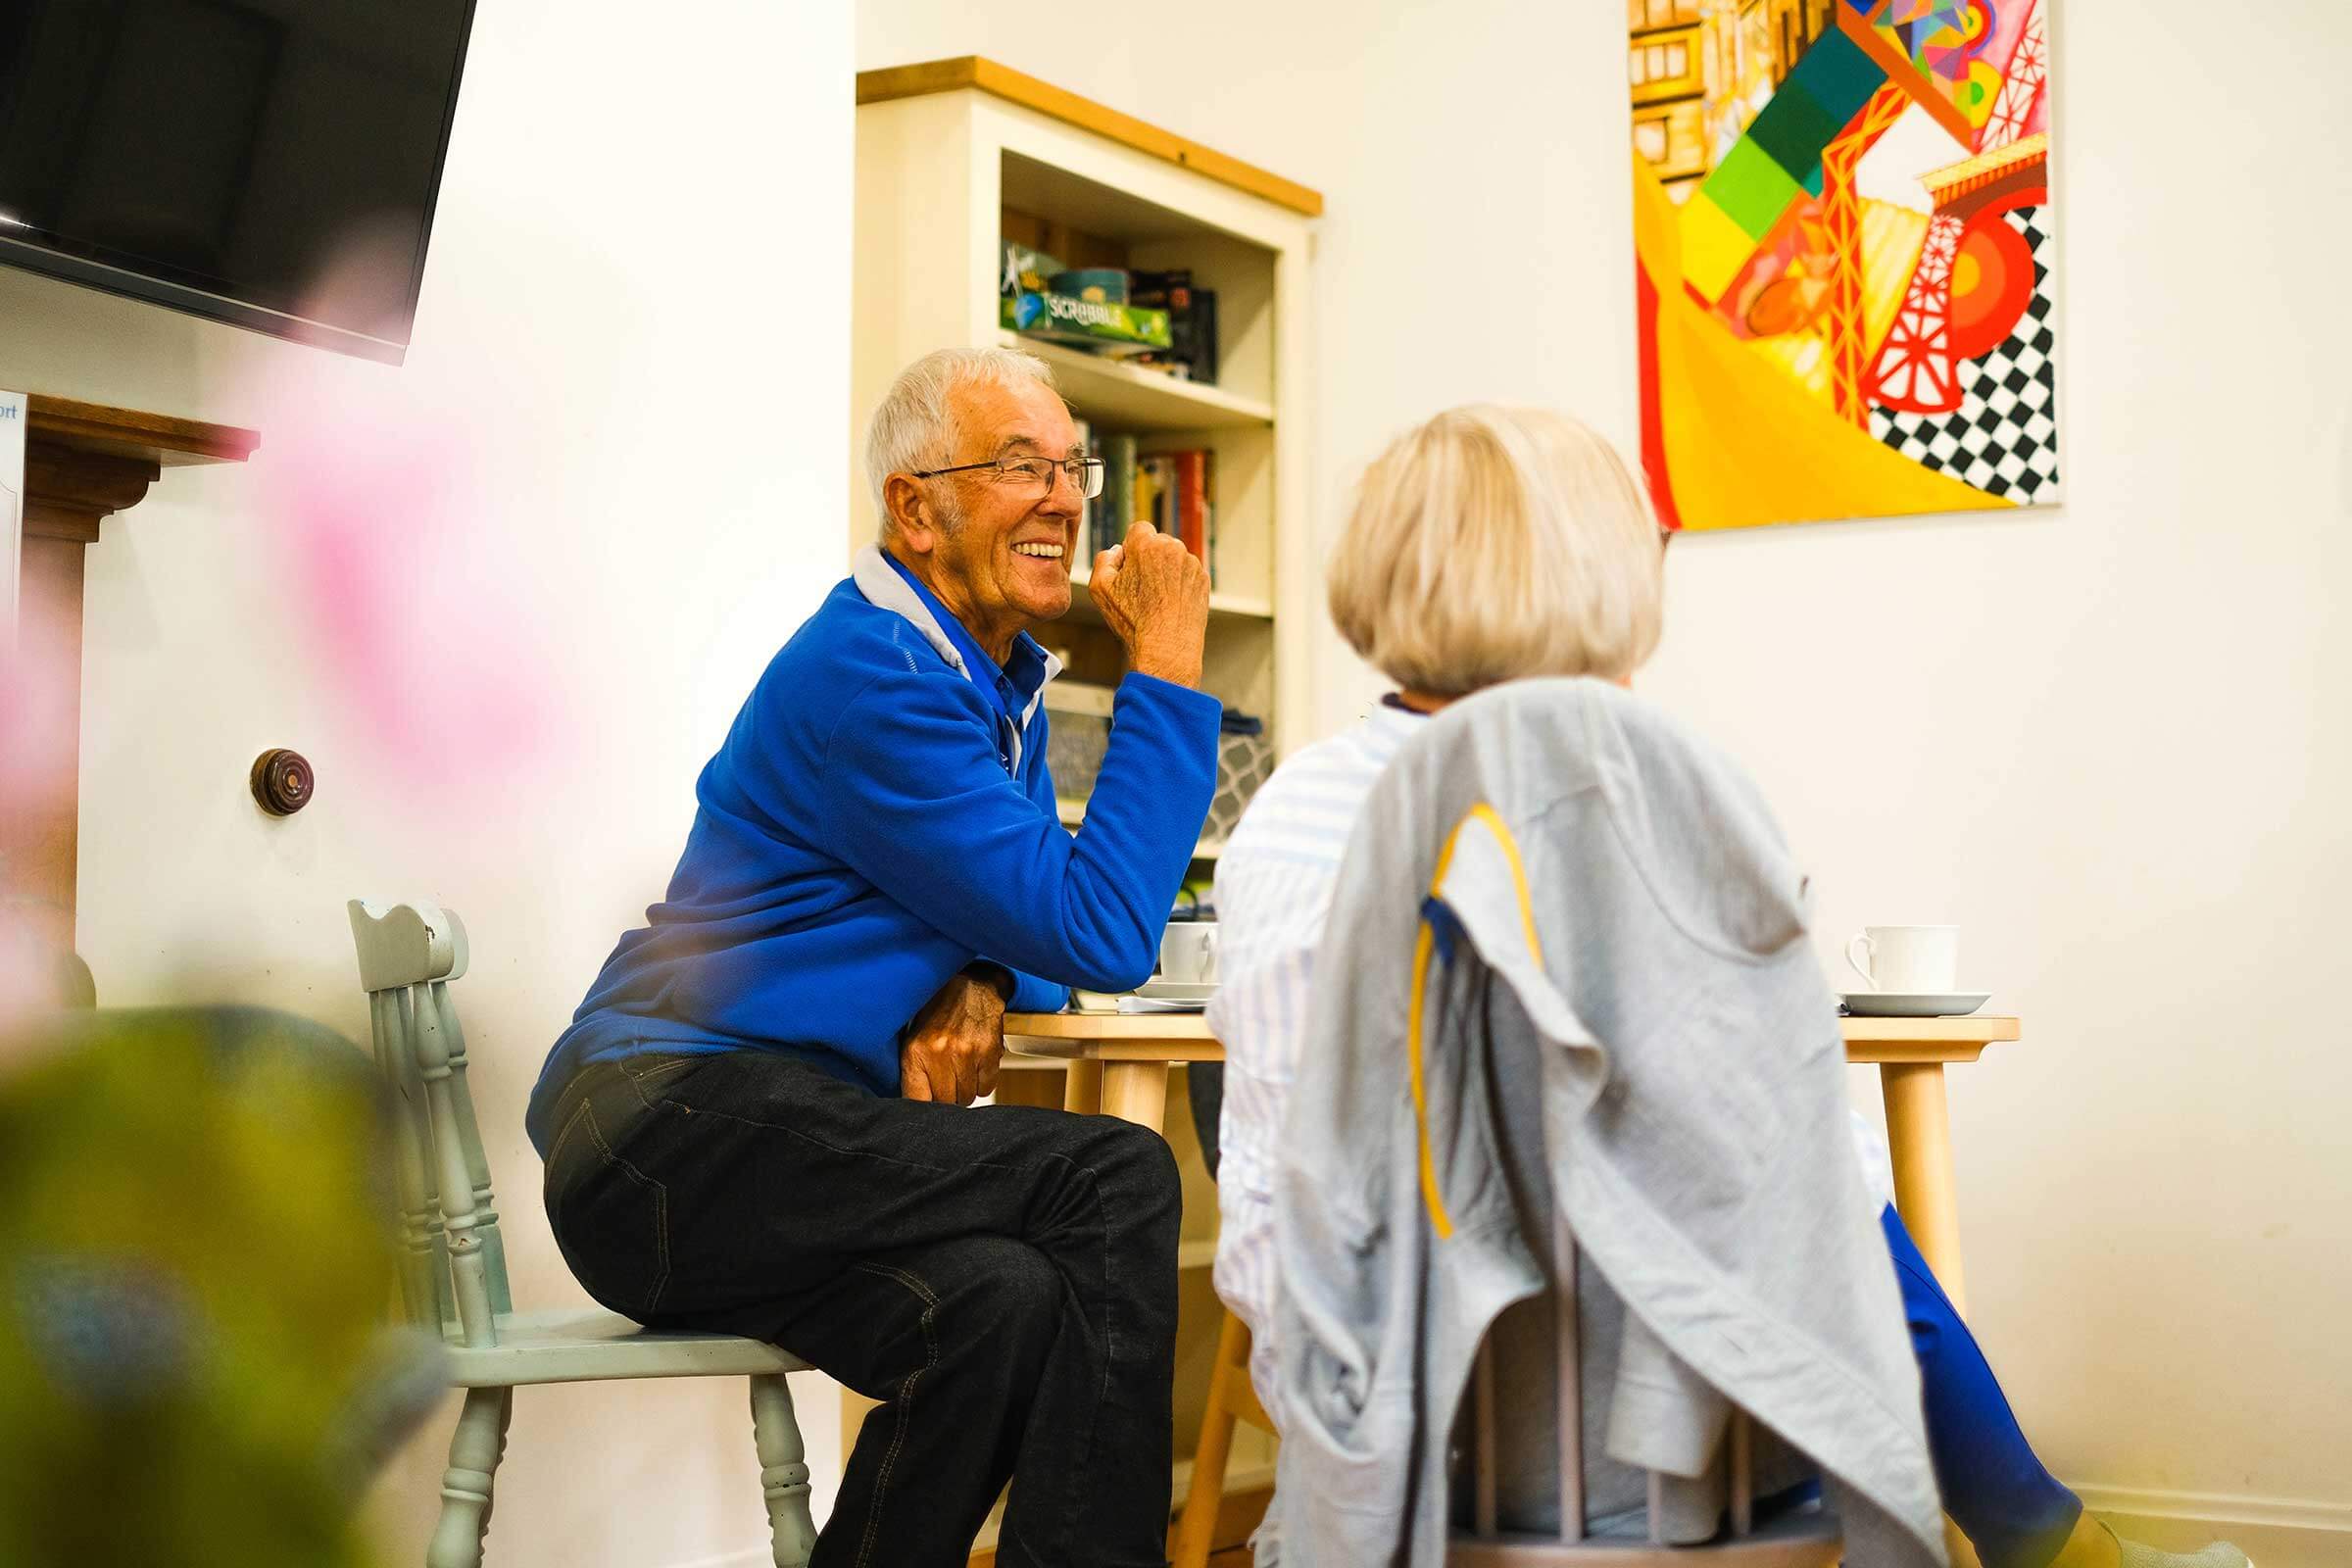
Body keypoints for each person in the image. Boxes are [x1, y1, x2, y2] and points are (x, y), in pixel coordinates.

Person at [1206, 405, 2248, 1568]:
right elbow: (1805, 1197)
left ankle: (2045, 1537)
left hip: (1387, 1444)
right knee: (1836, 1178)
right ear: (1596, 583)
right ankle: (2045, 1538)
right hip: (1683, 1463)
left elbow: (1273, 1219)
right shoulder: (1654, 802)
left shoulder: (1286, 819)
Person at [526, 346, 1221, 1568]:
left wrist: (987, 974)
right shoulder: (880, 679)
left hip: (753, 1138)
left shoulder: (976, 678)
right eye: (1021, 466)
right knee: (1113, 1180)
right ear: (916, 506)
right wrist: (1164, 657)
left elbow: (1053, 940)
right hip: (663, 1129)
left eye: (1073, 467)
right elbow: (1103, 928)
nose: (1065, 498)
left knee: (996, 1305)